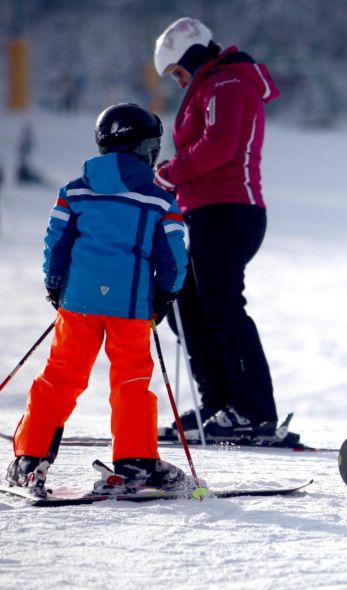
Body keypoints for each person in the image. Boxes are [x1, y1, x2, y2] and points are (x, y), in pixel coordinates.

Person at [5, 103, 189, 497]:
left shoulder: (75, 190)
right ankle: (136, 462)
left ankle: (30, 459)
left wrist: (55, 285)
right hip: (132, 306)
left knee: (60, 375)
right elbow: (174, 256)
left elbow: (56, 242)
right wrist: (166, 293)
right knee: (132, 380)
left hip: (79, 303)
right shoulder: (158, 200)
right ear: (144, 147)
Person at [151, 17, 283, 442]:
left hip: (230, 209)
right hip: (204, 211)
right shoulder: (210, 86)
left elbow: (220, 145)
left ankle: (253, 411)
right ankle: (218, 404)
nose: (177, 80)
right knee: (186, 304)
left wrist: (169, 174)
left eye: (177, 71)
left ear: (192, 56)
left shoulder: (228, 85)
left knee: (222, 305)